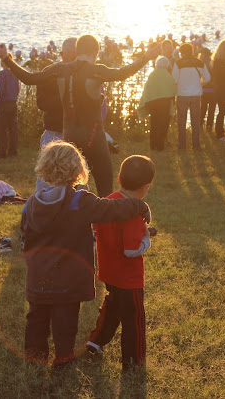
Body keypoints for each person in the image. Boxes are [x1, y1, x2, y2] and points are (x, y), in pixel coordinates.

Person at [21, 141, 151, 368]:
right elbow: (111, 209)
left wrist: (33, 261)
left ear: (44, 168)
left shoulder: (33, 202)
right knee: (65, 322)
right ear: (77, 171)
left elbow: (26, 235)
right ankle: (63, 361)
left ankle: (34, 358)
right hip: (68, 280)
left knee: (36, 319)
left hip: (38, 277)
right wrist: (139, 206)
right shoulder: (80, 201)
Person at [0, 35, 161, 198]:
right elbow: (122, 73)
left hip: (70, 138)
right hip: (94, 137)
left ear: (78, 50)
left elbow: (29, 78)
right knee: (104, 187)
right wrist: (146, 57)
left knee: (67, 188)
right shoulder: (96, 70)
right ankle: (105, 214)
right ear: (95, 52)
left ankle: (66, 212)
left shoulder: (60, 70)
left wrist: (6, 58)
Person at [86, 155, 155, 371]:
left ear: (119, 178)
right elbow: (131, 250)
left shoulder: (108, 202)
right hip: (129, 279)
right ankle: (134, 360)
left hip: (109, 271)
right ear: (146, 187)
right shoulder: (134, 214)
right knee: (134, 319)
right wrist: (146, 240)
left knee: (113, 307)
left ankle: (95, 341)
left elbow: (96, 227)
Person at [33, 38, 77, 191]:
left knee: (75, 172)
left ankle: (75, 200)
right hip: (55, 129)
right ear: (62, 54)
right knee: (48, 171)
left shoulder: (82, 73)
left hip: (75, 130)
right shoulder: (49, 73)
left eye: (75, 55)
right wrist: (64, 97)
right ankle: (43, 199)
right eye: (70, 55)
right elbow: (41, 102)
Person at [172, 43, 211, 150]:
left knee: (181, 121)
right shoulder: (200, 62)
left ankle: (182, 145)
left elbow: (174, 79)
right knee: (195, 121)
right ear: (192, 51)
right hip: (196, 95)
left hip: (182, 95)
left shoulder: (178, 63)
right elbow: (208, 78)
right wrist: (200, 84)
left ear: (181, 52)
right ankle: (196, 145)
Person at [137, 56, 176, 151]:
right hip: (165, 103)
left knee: (154, 124)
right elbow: (173, 90)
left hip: (153, 103)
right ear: (167, 65)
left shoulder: (152, 75)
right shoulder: (168, 76)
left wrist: (146, 101)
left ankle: (152, 145)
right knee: (163, 124)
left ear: (156, 64)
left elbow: (147, 89)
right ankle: (160, 146)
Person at [0, 54, 20, 158]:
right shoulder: (15, 74)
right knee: (13, 128)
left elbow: (1, 90)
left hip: (4, 103)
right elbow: (17, 89)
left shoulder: (1, 74)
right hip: (13, 103)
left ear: (3, 62)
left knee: (2, 128)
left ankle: (2, 151)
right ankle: (13, 150)